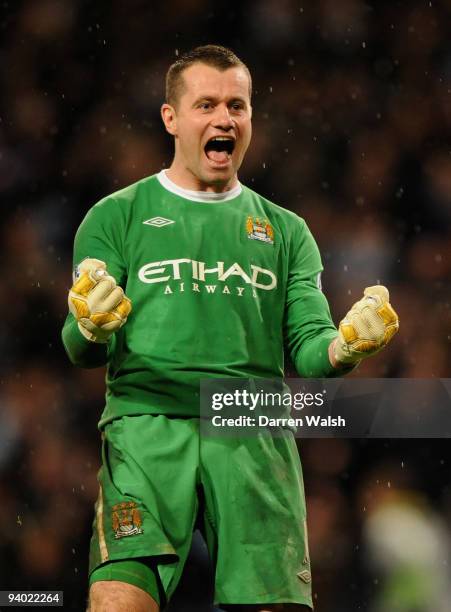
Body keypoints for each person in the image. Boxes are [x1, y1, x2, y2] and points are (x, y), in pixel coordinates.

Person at [62, 45, 399, 612]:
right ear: (171, 118)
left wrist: (347, 346)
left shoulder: (287, 231)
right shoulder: (114, 216)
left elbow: (310, 348)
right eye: (207, 105)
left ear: (250, 119)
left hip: (252, 423)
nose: (224, 119)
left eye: (237, 106)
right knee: (118, 601)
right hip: (148, 425)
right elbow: (79, 346)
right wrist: (92, 328)